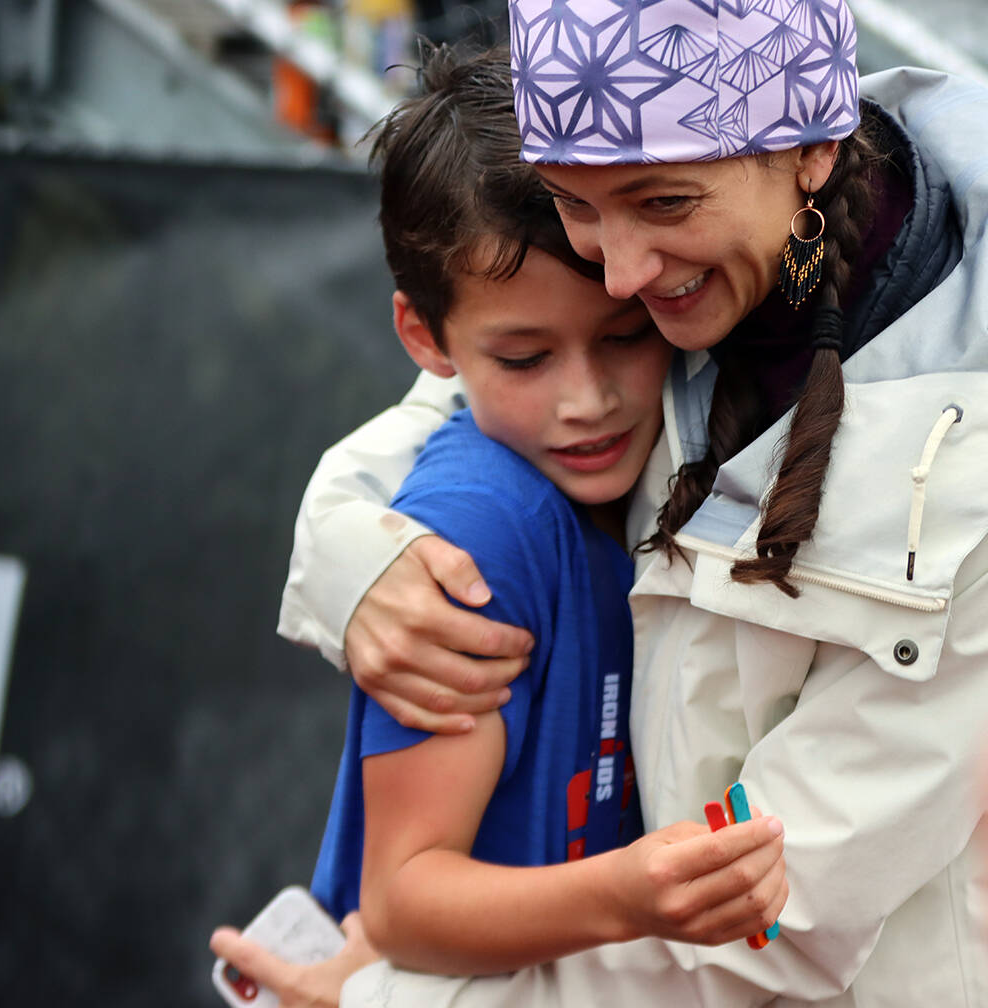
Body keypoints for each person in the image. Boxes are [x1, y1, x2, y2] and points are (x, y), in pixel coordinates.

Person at [277, 1, 988, 1004]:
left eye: (661, 204)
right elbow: (479, 368)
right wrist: (353, 541)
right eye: (573, 202)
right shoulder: (722, 249)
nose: (619, 273)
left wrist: (383, 998)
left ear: (817, 148)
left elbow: (762, 923)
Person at [212, 43, 788, 1007]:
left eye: (625, 335)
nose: (589, 400)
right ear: (423, 338)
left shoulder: (653, 470)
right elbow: (402, 902)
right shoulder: (477, 534)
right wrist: (627, 892)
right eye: (525, 358)